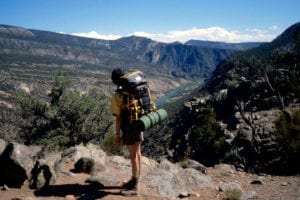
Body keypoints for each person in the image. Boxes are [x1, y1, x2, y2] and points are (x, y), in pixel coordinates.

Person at [110, 68, 143, 196]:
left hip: (129, 126)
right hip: (140, 122)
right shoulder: (134, 89)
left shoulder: (117, 96)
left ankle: (135, 188)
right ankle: (135, 180)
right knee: (138, 154)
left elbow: (118, 118)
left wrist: (117, 135)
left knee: (133, 156)